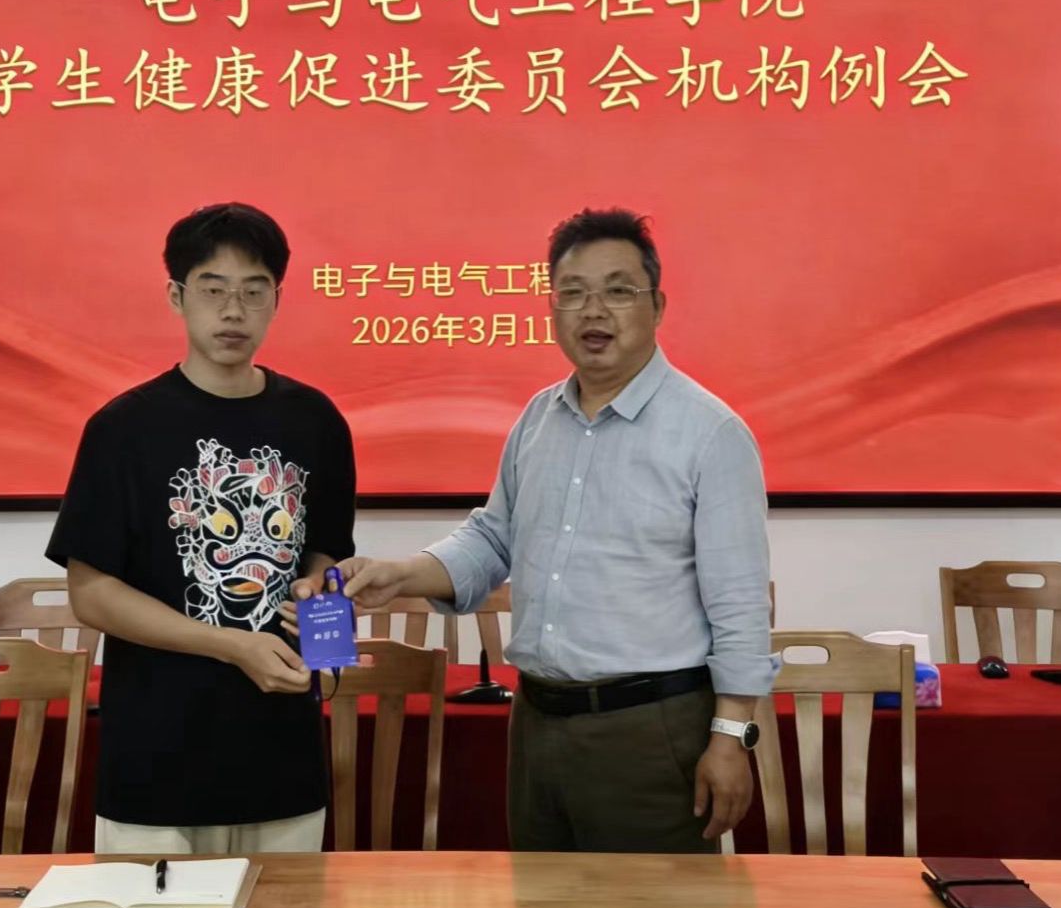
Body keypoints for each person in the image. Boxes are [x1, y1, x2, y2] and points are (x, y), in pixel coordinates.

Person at [326, 208, 775, 852]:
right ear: (551, 308)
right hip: (537, 724)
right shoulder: (538, 419)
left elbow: (739, 604)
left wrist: (731, 737)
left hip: (650, 731)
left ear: (657, 305)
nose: (594, 311)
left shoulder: (711, 433)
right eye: (573, 292)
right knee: (540, 905)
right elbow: (493, 539)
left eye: (618, 290)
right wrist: (401, 574)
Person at [47, 202, 356, 855]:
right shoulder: (123, 430)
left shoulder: (316, 421)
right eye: (214, 290)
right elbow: (91, 592)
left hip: (282, 754)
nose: (234, 311)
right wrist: (230, 645)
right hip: (157, 758)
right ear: (177, 297)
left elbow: (324, 554)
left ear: (277, 300)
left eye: (254, 291)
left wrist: (319, 609)